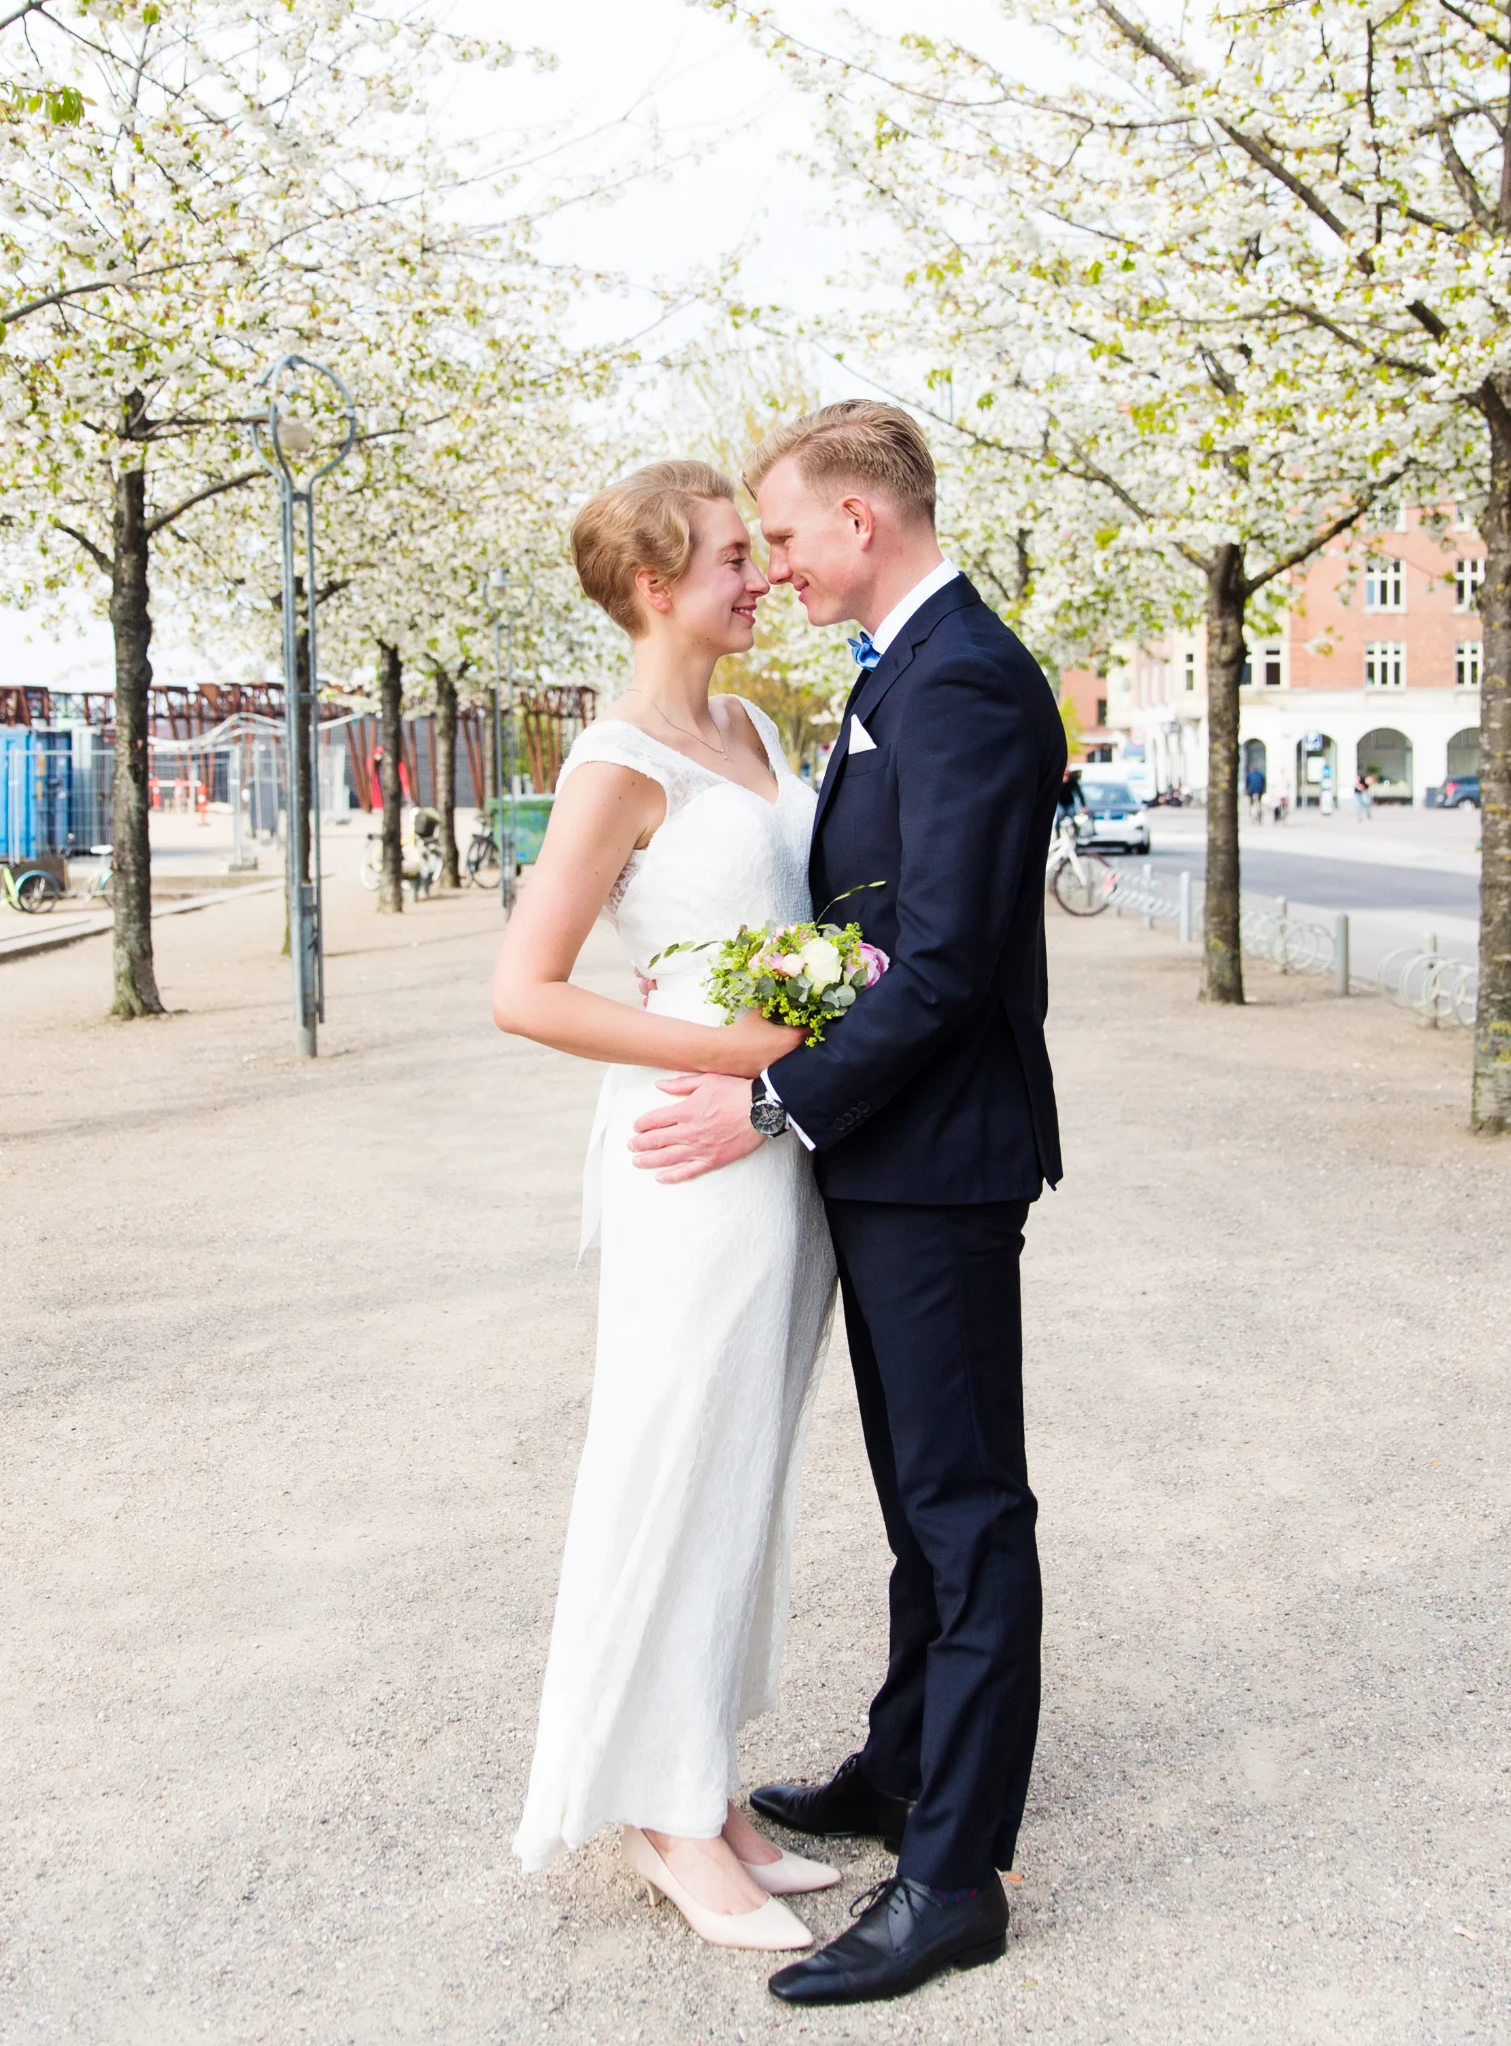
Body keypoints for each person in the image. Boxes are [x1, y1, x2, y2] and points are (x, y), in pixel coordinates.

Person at [628, 403, 1065, 2008]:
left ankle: (954, 1874)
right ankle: (897, 1766)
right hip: (891, 1156)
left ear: (861, 524)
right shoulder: (902, 667)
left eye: (789, 535)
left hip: (938, 1157)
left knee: (965, 1511)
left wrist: (768, 1099)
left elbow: (944, 963)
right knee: (914, 1501)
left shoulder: (959, 678)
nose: (781, 565)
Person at [492, 461, 840, 1956]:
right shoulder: (617, 761)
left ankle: (704, 1776)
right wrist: (733, 1055)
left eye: (758, 553)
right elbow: (524, 991)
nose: (758, 575)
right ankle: (656, 1808)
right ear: (651, 585)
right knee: (673, 1455)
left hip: (781, 1143)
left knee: (745, 1467)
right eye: (726, 559)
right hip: (695, 1154)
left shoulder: (754, 727)